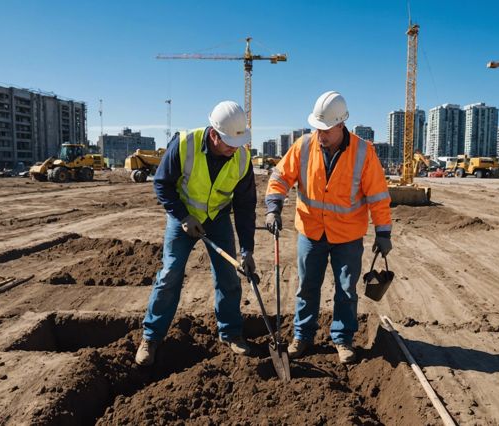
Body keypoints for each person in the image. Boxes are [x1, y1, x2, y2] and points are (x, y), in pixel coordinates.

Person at [265, 91, 392, 364]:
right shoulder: (303, 146)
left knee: (346, 291)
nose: (319, 133)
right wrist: (273, 208)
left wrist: (383, 232)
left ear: (340, 125)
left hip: (347, 236)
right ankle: (302, 335)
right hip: (311, 232)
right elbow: (280, 177)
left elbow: (378, 195)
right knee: (307, 286)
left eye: (325, 129)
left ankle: (343, 339)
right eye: (316, 127)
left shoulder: (363, 152)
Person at [135, 101, 257, 366]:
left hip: (218, 217)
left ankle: (231, 333)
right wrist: (182, 216)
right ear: (213, 134)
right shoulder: (184, 144)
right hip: (183, 217)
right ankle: (151, 337)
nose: (233, 149)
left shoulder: (242, 158)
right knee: (170, 273)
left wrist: (247, 249)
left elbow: (246, 207)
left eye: (237, 143)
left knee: (228, 276)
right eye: (228, 143)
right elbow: (162, 184)